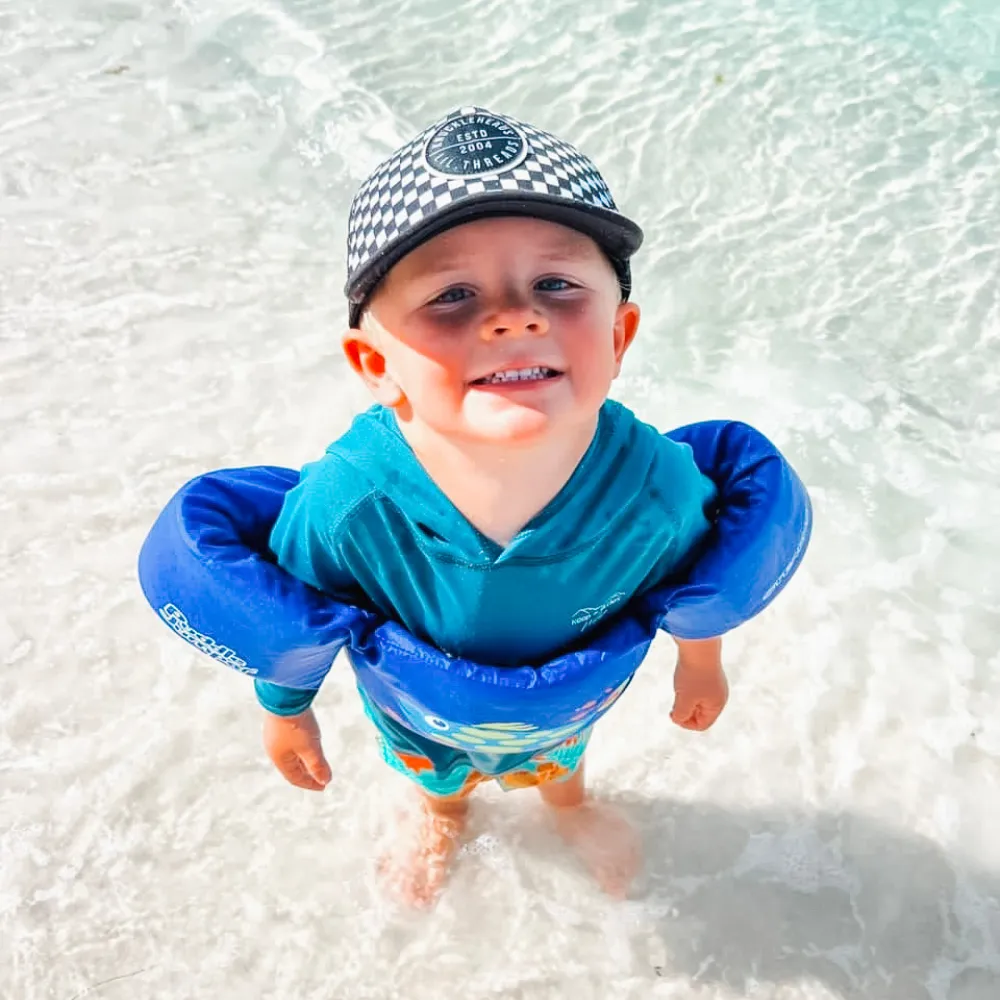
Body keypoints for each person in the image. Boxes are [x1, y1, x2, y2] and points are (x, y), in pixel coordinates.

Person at [251, 106, 731, 905]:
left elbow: (701, 580)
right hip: (417, 713)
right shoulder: (349, 501)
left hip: (564, 709)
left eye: (556, 283)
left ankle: (569, 808)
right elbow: (287, 614)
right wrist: (286, 711)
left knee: (565, 761)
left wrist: (701, 661)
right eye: (452, 295)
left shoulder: (657, 487)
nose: (515, 315)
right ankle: (443, 816)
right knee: (437, 777)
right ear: (375, 362)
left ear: (620, 335)